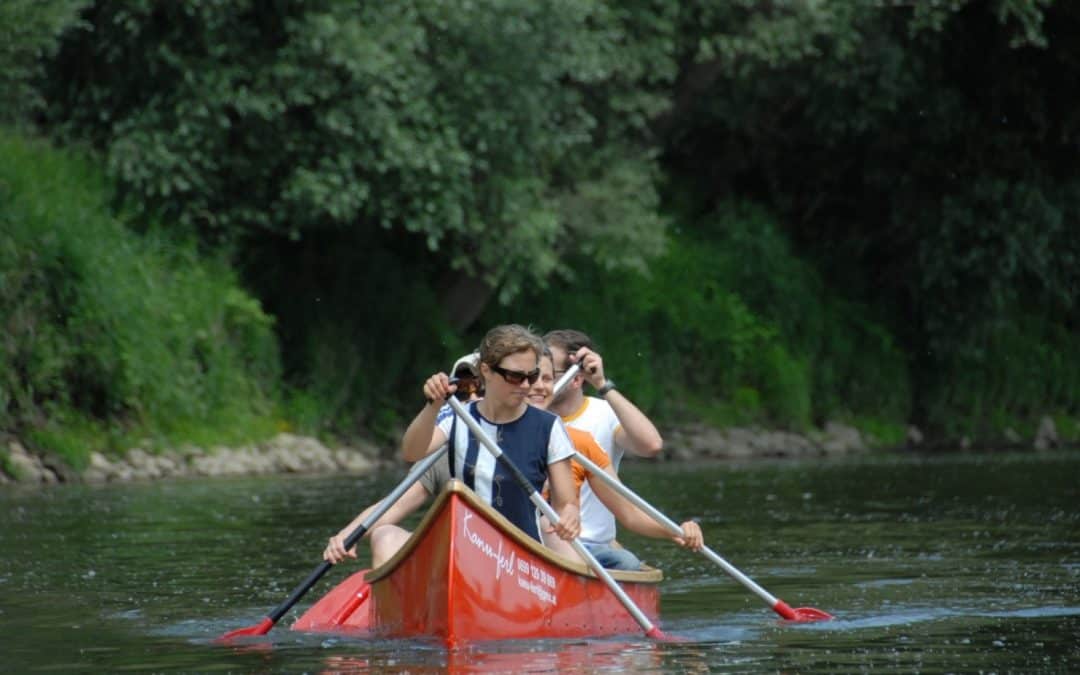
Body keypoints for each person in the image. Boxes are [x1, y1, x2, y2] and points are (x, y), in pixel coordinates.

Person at [323, 348, 703, 567]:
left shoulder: (566, 439)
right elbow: (390, 505)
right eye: (464, 389)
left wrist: (676, 531)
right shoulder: (451, 441)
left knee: (611, 559)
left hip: (538, 555)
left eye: (477, 387)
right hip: (465, 557)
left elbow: (628, 510)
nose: (470, 396)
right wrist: (345, 536)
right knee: (387, 535)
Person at [543, 328, 664, 570]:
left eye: (549, 374)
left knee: (627, 563)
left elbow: (651, 445)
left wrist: (601, 384)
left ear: (575, 379)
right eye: (537, 371)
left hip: (594, 545)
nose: (538, 381)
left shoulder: (603, 414)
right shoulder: (524, 414)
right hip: (541, 537)